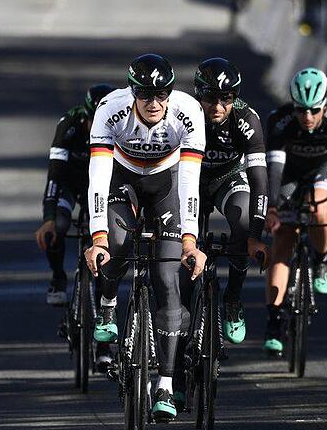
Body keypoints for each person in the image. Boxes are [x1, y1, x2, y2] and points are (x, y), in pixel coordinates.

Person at [83, 53, 207, 421]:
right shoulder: (110, 109)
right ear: (132, 92)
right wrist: (98, 237)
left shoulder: (189, 112)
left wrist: (190, 241)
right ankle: (107, 303)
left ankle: (165, 384)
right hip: (122, 179)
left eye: (161, 94)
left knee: (169, 280)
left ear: (170, 93)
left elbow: (189, 184)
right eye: (145, 95)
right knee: (118, 243)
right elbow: (98, 179)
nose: (154, 103)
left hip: (166, 183)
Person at [263, 67, 327, 355]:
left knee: (318, 209)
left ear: (325, 103)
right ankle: (274, 322)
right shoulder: (280, 121)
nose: (307, 117)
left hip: (323, 172)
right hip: (290, 174)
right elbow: (275, 171)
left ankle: (321, 262)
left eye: (314, 110)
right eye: (301, 110)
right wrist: (274, 208)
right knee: (282, 242)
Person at [34, 83, 116, 369]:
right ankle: (58, 276)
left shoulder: (120, 124)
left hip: (103, 188)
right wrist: (47, 219)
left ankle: (104, 342)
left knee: (106, 255)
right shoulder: (68, 124)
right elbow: (55, 175)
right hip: (70, 184)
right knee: (58, 223)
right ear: (85, 115)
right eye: (93, 121)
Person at [192, 57, 269, 345]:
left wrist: (255, 236)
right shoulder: (183, 113)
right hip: (193, 181)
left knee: (243, 222)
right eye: (211, 98)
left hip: (228, 178)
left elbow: (260, 180)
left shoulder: (247, 119)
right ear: (199, 94)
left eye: (226, 98)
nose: (218, 106)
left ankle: (233, 300)